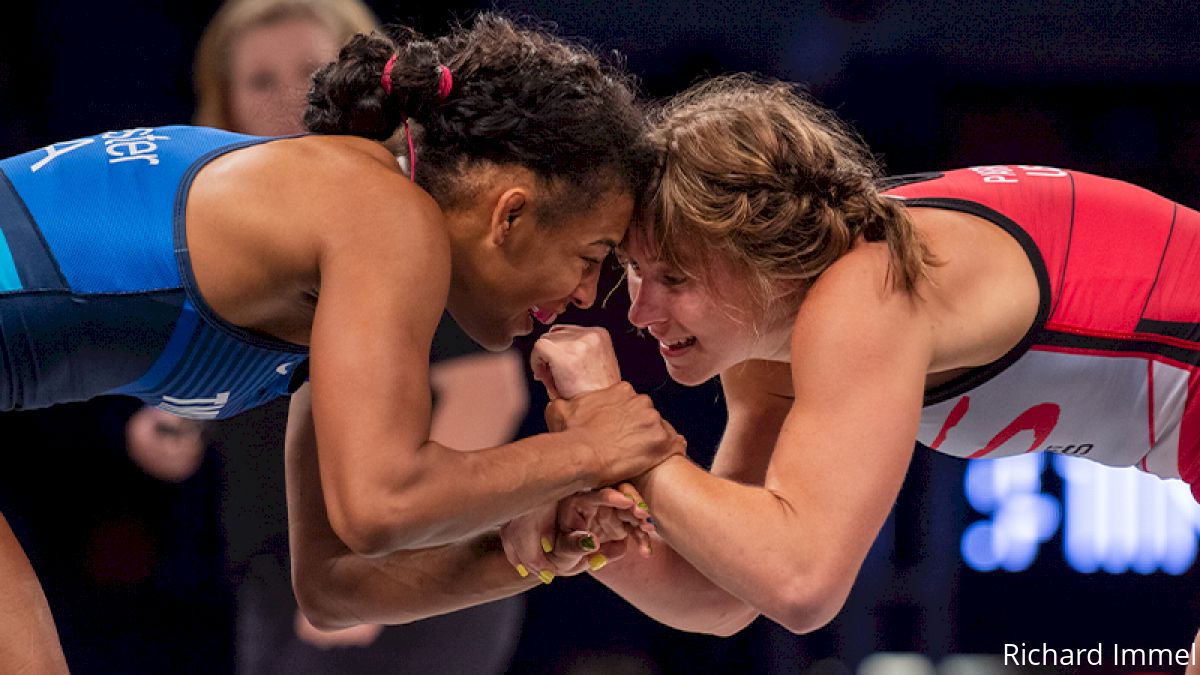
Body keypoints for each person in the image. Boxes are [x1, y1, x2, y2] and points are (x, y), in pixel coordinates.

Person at [0, 14, 676, 671]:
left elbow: (332, 584)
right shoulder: (382, 213)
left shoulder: (342, 238)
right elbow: (384, 502)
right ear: (512, 213)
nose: (589, 294)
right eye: (594, 254)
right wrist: (590, 448)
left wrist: (526, 549)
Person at [501, 75, 1200, 650]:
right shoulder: (773, 336)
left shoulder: (864, 292)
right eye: (634, 271)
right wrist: (598, 530)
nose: (640, 311)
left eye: (675, 279)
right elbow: (727, 593)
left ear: (761, 255)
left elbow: (804, 581)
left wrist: (617, 434)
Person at [193, 1, 530, 670]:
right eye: (260, 81)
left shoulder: (403, 213)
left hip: (404, 580)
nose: (289, 97)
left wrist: (379, 568)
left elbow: (488, 394)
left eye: (310, 72)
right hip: (277, 575)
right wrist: (176, 424)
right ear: (224, 102)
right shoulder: (229, 230)